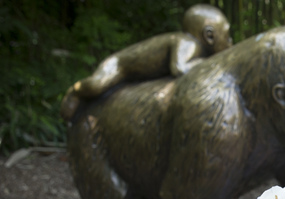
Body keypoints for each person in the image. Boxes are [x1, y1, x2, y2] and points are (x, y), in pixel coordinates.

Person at [60, 4, 232, 120]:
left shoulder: (194, 47)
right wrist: (215, 63)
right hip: (119, 65)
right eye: (227, 35)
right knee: (96, 85)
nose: (230, 42)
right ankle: (75, 91)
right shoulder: (187, 43)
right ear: (209, 36)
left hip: (132, 74)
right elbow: (180, 68)